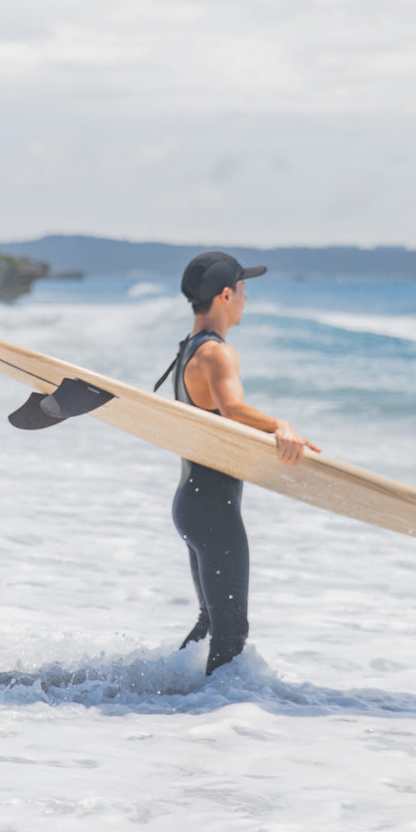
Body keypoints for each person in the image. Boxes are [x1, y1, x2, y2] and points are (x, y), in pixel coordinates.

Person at [169, 251, 319, 675]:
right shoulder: (217, 353)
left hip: (192, 504)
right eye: (243, 289)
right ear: (225, 296)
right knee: (231, 632)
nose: (246, 298)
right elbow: (232, 409)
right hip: (213, 510)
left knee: (211, 622)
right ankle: (211, 711)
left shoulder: (187, 349)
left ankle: (162, 689)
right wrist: (280, 425)